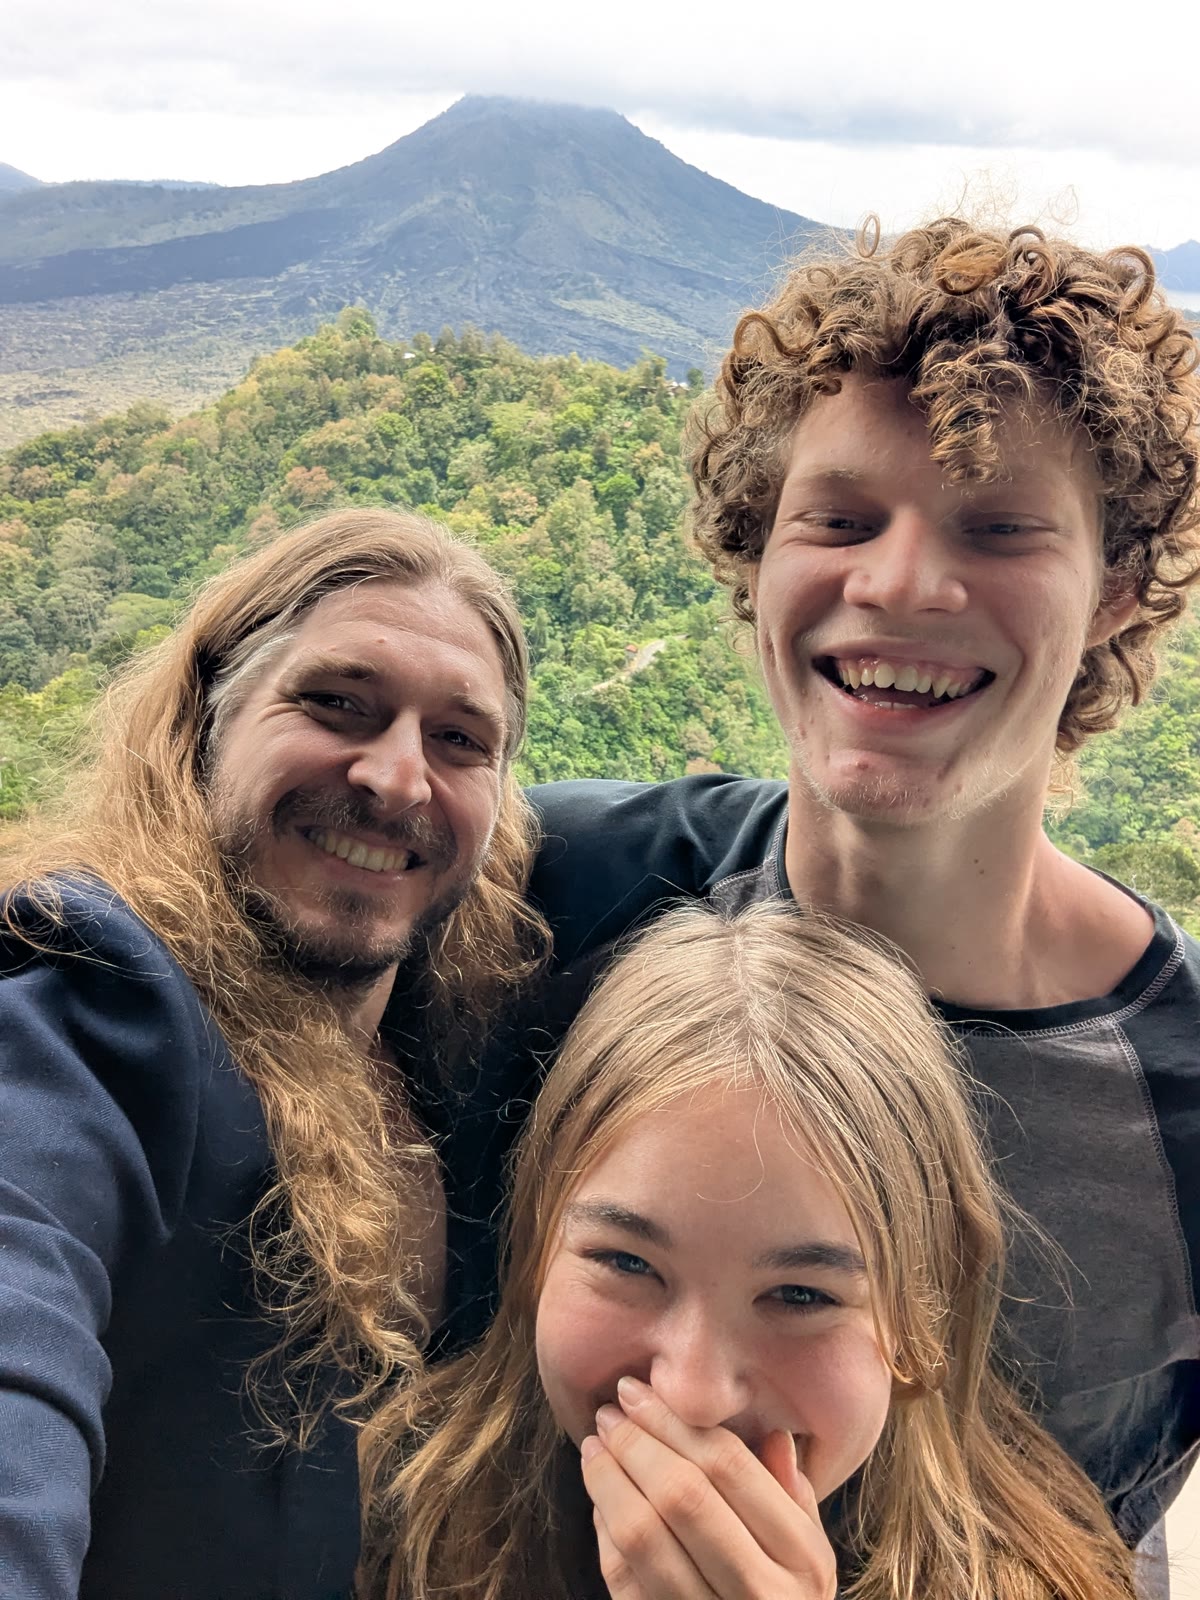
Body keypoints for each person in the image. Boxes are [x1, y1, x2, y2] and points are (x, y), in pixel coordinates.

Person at [463, 220, 1200, 1575]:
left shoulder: (1183, 1090)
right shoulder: (553, 899)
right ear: (757, 560)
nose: (902, 582)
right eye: (840, 519)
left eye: (1001, 529)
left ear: (1119, 591)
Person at [0, 508, 546, 1600]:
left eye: (458, 740)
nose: (396, 778)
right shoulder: (92, 1007)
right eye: (338, 703)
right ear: (209, 716)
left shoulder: (464, 1030)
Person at [360, 901, 1141, 1600]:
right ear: (537, 1251)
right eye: (626, 1263)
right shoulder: (398, 1515)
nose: (695, 1397)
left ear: (920, 1319)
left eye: (802, 1295)